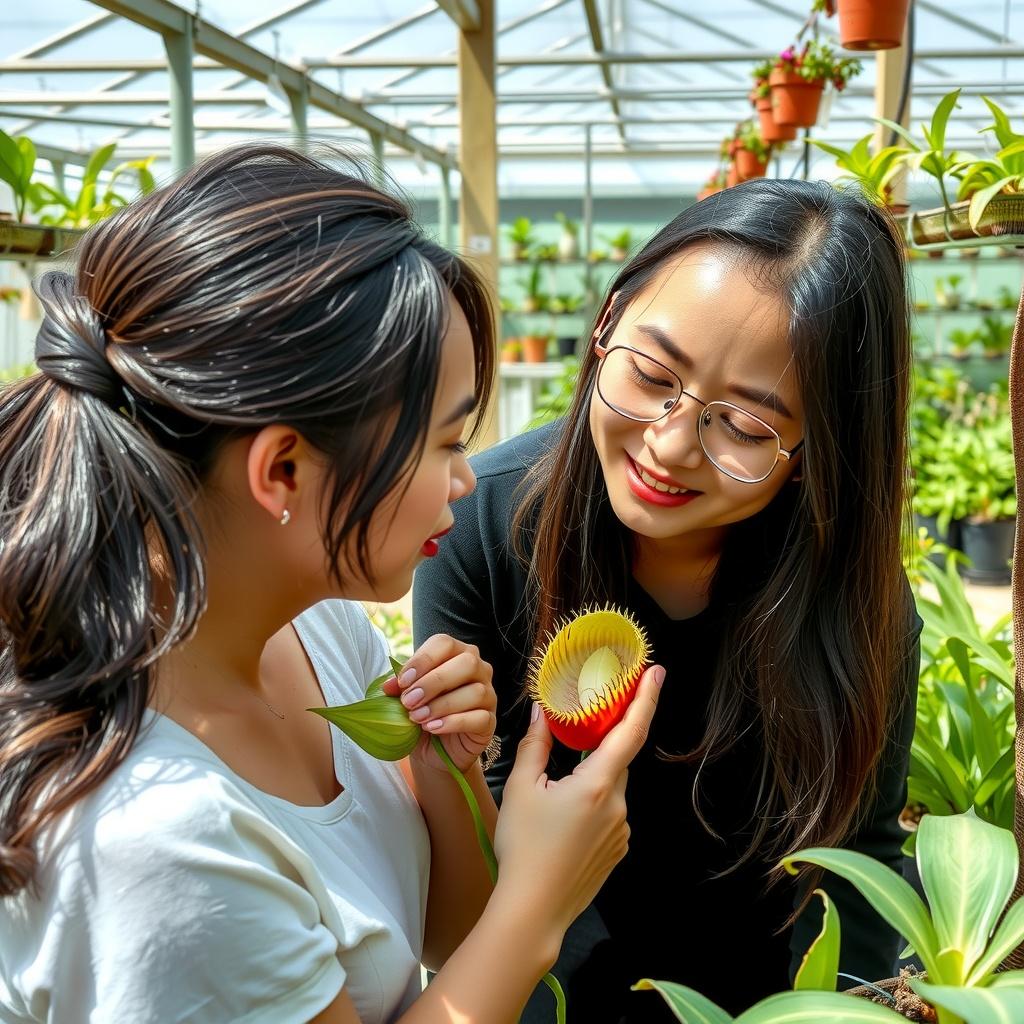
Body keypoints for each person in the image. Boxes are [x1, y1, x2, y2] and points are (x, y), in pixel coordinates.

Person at [0, 145, 663, 1024]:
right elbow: (492, 947)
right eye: (444, 442)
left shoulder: (315, 633)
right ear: (282, 469)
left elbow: (450, 939)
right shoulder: (158, 843)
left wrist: (444, 774)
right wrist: (541, 902)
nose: (466, 480)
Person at [414, 179, 922, 1021]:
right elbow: (472, 859)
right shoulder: (486, 527)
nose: (671, 443)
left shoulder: (857, 603)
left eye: (748, 427)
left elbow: (857, 860)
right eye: (653, 374)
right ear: (607, 322)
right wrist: (452, 768)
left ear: (818, 448)